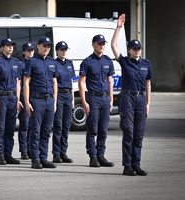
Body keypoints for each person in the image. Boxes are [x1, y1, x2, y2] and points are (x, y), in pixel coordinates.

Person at [111, 14, 152, 176]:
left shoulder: (146, 64)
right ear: (129, 50)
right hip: (127, 98)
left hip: (141, 99)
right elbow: (113, 45)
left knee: (139, 133)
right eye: (134, 49)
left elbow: (148, 84)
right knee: (128, 132)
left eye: (139, 49)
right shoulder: (125, 61)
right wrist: (119, 27)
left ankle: (137, 164)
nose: (137, 51)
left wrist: (148, 103)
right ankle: (127, 166)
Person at [78, 34, 115, 168]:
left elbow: (110, 82)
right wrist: (84, 102)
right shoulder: (87, 62)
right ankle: (92, 156)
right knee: (93, 129)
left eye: (103, 43)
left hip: (105, 98)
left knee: (103, 129)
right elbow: (81, 83)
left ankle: (101, 155)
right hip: (93, 98)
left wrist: (110, 100)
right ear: (93, 44)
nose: (102, 46)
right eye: (99, 43)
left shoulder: (108, 61)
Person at [24, 37, 58, 169]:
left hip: (49, 100)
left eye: (49, 46)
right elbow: (26, 83)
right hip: (36, 100)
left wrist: (54, 101)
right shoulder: (32, 62)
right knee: (36, 131)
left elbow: (54, 82)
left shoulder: (52, 62)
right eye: (44, 46)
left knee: (46, 131)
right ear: (38, 46)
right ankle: (35, 159)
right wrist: (27, 102)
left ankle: (44, 157)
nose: (47, 48)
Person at [0, 38, 21, 165]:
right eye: (7, 46)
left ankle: (8, 154)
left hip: (13, 97)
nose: (10, 48)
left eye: (12, 45)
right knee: (0, 127)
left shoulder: (16, 62)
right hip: (1, 96)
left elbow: (18, 82)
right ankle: (0, 155)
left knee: (10, 127)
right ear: (2, 48)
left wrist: (18, 99)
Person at [52, 41, 75, 163]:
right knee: (58, 125)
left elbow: (71, 82)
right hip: (59, 94)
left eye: (65, 49)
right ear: (57, 51)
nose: (64, 51)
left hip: (68, 95)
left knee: (66, 125)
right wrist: (55, 101)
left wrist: (72, 99)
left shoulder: (70, 64)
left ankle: (63, 152)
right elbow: (54, 83)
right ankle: (56, 153)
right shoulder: (54, 64)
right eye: (61, 49)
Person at [17, 42, 35, 160]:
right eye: (28, 50)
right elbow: (18, 82)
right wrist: (18, 99)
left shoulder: (36, 63)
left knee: (34, 125)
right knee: (24, 124)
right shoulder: (20, 65)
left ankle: (31, 149)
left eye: (32, 50)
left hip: (35, 95)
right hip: (24, 95)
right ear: (24, 52)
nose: (30, 52)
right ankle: (23, 150)